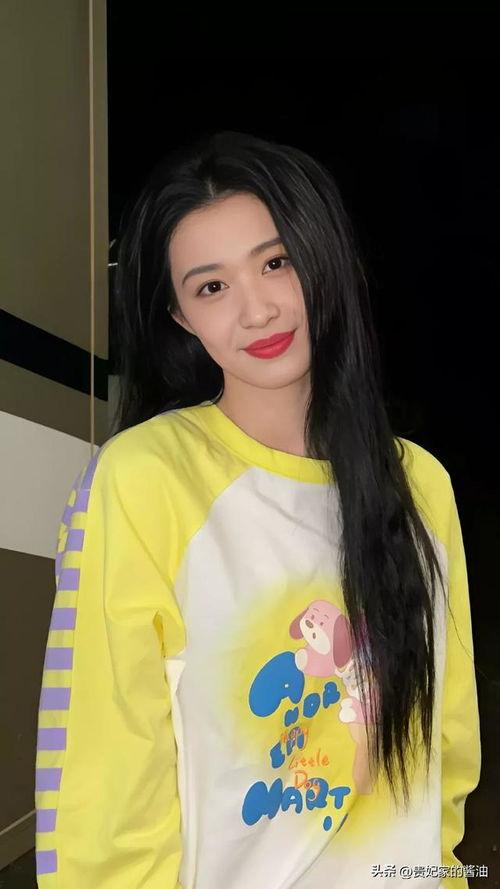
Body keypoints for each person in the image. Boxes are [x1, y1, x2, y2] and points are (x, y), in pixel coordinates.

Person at [34, 130, 481, 889]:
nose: (257, 310)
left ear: (322, 258)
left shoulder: (420, 484)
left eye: (276, 263)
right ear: (180, 316)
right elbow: (106, 769)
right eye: (211, 287)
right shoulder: (145, 478)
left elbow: (446, 735)